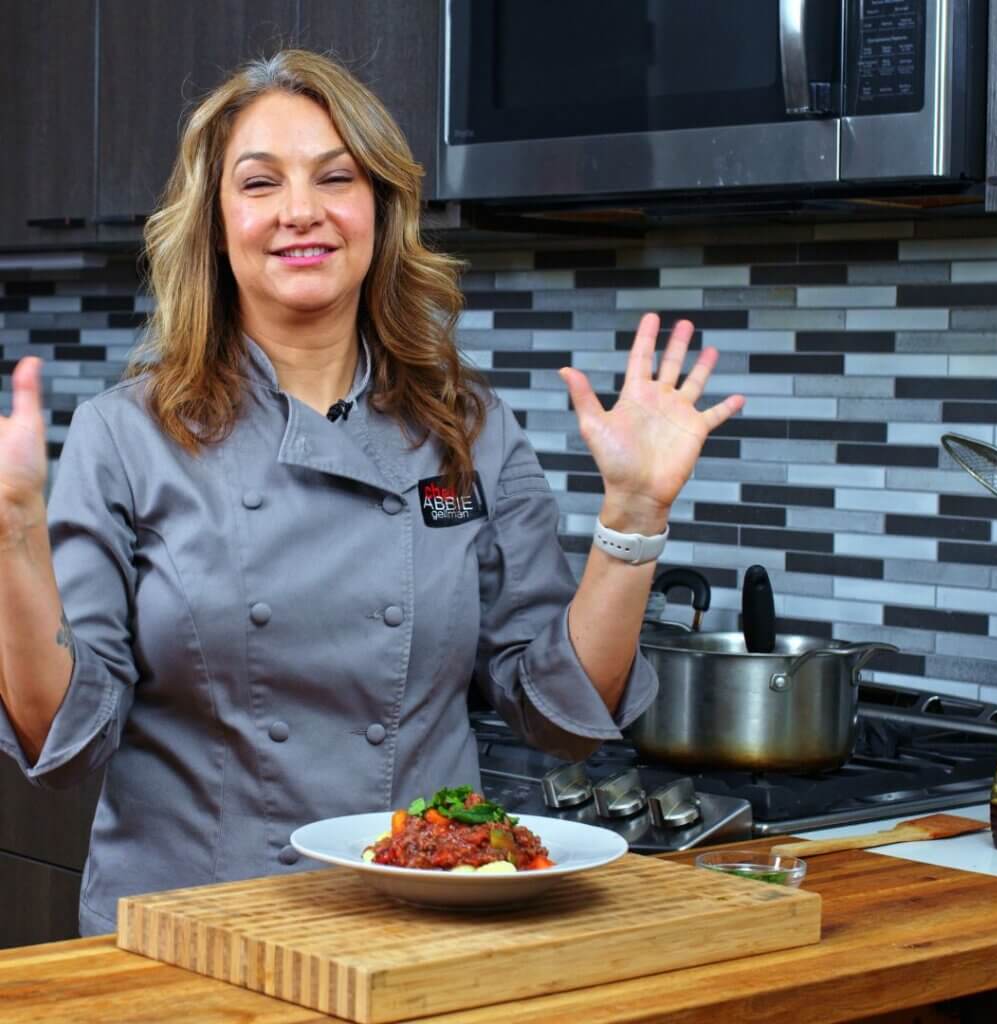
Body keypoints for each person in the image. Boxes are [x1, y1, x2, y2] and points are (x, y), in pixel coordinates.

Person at [0, 50, 743, 936]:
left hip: (420, 922)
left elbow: (561, 715)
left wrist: (633, 518)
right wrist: (11, 537)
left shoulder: (465, 427)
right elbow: (66, 738)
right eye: (260, 182)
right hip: (192, 929)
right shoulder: (126, 435)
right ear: (214, 222)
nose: (300, 211)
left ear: (382, 210)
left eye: (336, 177)